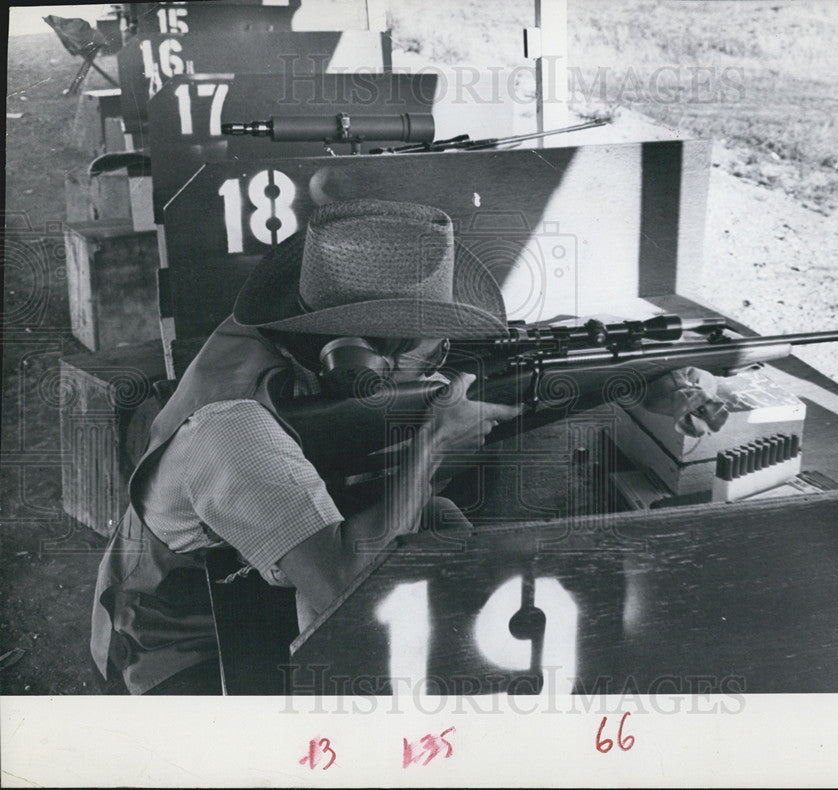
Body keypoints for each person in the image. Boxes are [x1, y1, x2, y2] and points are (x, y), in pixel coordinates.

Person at [90, 198, 727, 695]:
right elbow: (339, 589)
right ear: (364, 358)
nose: (443, 360)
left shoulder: (298, 334)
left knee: (444, 532)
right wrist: (433, 445)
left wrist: (643, 380)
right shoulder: (235, 434)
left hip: (258, 579)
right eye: (432, 343)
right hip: (189, 643)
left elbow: (511, 357)